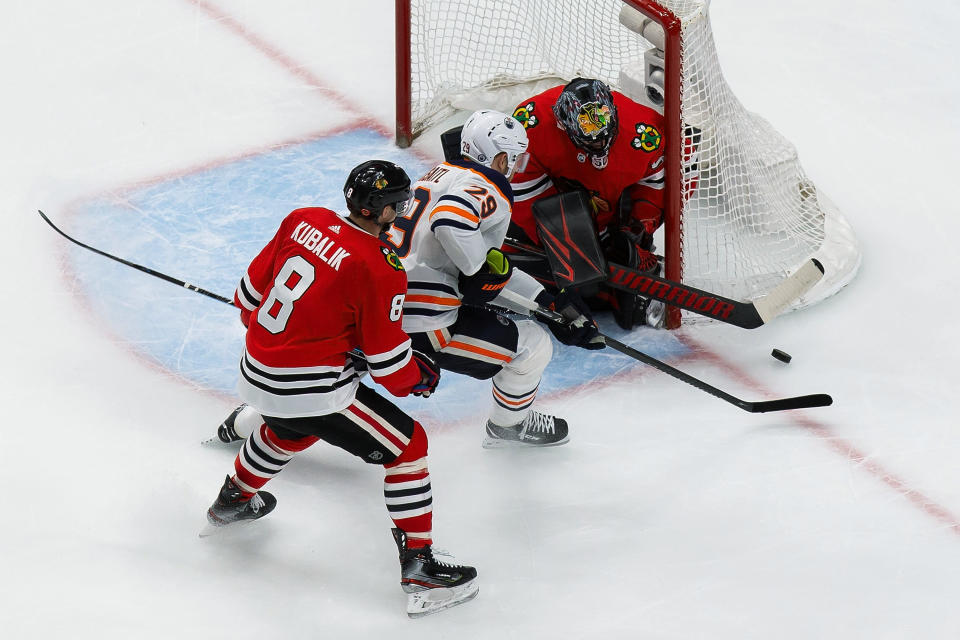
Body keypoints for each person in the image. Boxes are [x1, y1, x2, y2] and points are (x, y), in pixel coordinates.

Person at [202, 160, 478, 618]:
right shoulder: (380, 266)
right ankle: (420, 569)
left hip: (254, 371)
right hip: (311, 389)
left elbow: (247, 300)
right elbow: (390, 367)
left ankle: (232, 501)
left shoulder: (303, 219)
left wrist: (302, 336)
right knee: (409, 447)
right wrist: (421, 377)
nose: (403, 209)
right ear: (382, 210)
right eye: (399, 203)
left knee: (291, 429)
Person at [383, 109, 604, 449]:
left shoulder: (437, 174)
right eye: (511, 158)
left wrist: (548, 303)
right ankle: (509, 427)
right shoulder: (487, 186)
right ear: (500, 157)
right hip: (423, 322)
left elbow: (478, 268)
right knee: (532, 344)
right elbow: (452, 223)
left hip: (382, 307)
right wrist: (479, 269)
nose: (512, 167)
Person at [509, 77, 693, 330]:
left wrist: (639, 226)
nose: (600, 145)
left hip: (611, 207)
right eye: (590, 141)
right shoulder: (529, 124)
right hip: (561, 202)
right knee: (580, 281)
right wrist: (575, 241)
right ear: (563, 126)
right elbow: (521, 189)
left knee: (607, 270)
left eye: (604, 136)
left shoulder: (644, 131)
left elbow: (670, 174)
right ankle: (608, 285)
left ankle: (627, 262)